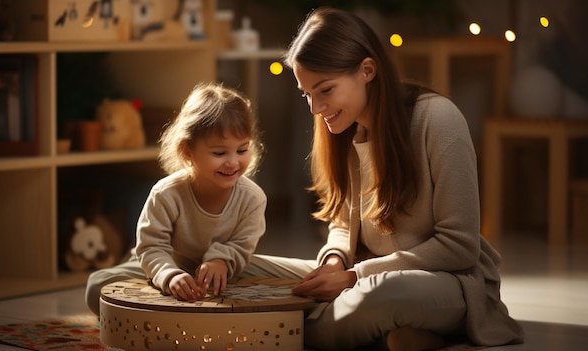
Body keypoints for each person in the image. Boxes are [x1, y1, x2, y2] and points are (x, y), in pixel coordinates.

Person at [239, 7, 524, 351]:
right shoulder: (346, 130)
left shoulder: (438, 120)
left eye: (325, 90)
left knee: (382, 296)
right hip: (362, 277)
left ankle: (280, 329)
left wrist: (355, 277)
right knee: (243, 267)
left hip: (447, 283)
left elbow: (459, 247)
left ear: (367, 70)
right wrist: (333, 264)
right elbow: (343, 225)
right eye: (307, 94)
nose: (315, 108)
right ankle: (396, 336)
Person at [84, 82, 267, 315]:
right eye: (219, 153)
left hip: (223, 274)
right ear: (187, 151)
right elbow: (150, 247)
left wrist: (221, 261)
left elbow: (242, 246)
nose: (232, 162)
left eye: (242, 150)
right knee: (97, 286)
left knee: (284, 281)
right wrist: (169, 275)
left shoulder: (253, 198)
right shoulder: (166, 193)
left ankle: (180, 312)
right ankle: (171, 310)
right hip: (163, 267)